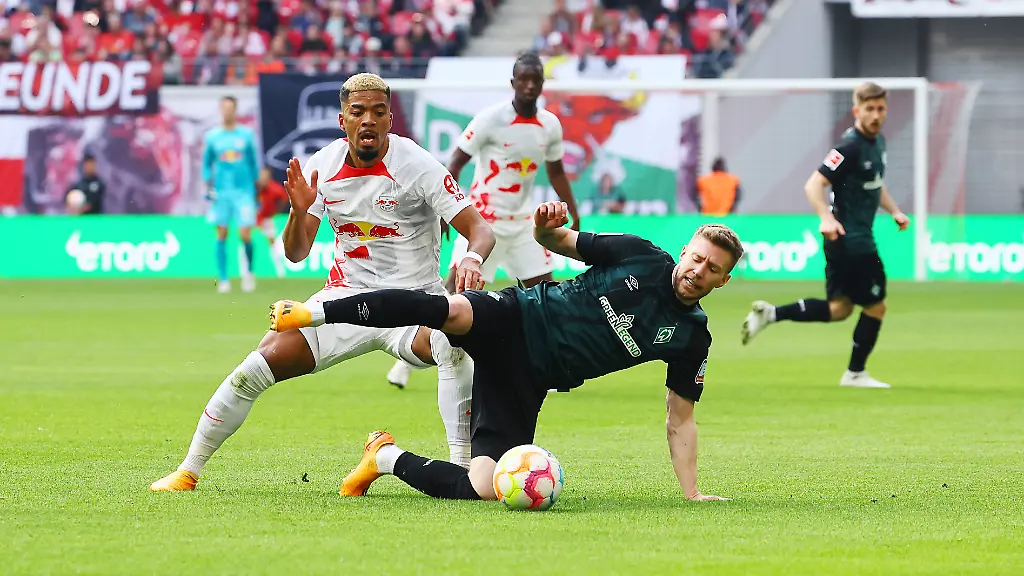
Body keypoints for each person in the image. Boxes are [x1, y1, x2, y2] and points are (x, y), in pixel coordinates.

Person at [149, 73, 496, 493]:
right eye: (358, 111)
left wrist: (472, 258)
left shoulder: (417, 165)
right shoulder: (322, 167)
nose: (368, 120)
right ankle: (188, 471)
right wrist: (298, 212)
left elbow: (480, 230)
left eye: (379, 112)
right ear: (342, 119)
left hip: (413, 305)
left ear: (389, 120)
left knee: (453, 343)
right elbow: (296, 252)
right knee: (254, 368)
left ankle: (461, 471)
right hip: (344, 302)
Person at [268, 201, 742, 502]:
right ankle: (317, 313)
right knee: (448, 309)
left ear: (722, 280)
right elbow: (555, 241)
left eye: (712, 269)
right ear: (685, 251)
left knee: (483, 486)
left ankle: (384, 458)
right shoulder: (639, 254)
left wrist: (692, 493)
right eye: (697, 258)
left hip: (528, 379)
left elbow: (680, 419)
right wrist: (544, 227)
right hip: (517, 316)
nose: (698, 271)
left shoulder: (691, 337)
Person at [384, 51, 581, 390]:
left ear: (542, 84)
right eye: (523, 79)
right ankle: (407, 360)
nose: (529, 86)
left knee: (545, 296)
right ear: (513, 82)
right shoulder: (491, 119)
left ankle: (545, 368)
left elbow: (557, 171)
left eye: (535, 80)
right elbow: (455, 162)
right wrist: (446, 210)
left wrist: (573, 210)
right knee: (453, 294)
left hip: (524, 224)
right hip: (484, 223)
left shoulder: (550, 125)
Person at [740, 82, 910, 389]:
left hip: (846, 242)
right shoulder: (848, 148)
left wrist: (894, 210)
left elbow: (875, 182)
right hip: (852, 241)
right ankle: (855, 373)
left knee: (839, 309)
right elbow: (814, 184)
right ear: (857, 111)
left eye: (880, 108)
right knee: (876, 306)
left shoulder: (878, 142)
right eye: (869, 109)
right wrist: (826, 217)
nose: (876, 115)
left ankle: (771, 314)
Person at [203, 95, 261, 293]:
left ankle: (249, 273)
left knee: (245, 234)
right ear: (221, 110)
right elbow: (206, 164)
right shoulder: (212, 136)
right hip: (221, 193)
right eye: (224, 108)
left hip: (244, 192)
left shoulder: (246, 135)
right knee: (221, 233)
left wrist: (255, 189)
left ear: (235, 110)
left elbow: (253, 163)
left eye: (231, 108)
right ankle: (223, 278)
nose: (227, 112)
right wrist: (208, 185)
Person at [255, 166, 289, 278]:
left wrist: (275, 211)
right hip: (252, 219)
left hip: (266, 219)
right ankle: (246, 271)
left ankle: (280, 271)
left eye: (266, 176)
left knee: (272, 243)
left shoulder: (274, 189)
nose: (263, 178)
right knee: (246, 242)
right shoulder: (252, 187)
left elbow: (284, 198)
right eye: (262, 176)